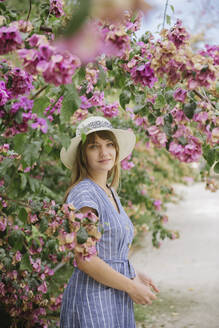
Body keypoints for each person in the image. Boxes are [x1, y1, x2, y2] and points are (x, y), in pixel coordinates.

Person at [60, 116, 159, 327]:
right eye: (94, 147)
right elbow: (85, 258)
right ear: (83, 155)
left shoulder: (109, 192)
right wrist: (131, 287)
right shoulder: (85, 194)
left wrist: (132, 276)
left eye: (109, 144)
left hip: (115, 294)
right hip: (93, 299)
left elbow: (110, 251)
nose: (104, 153)